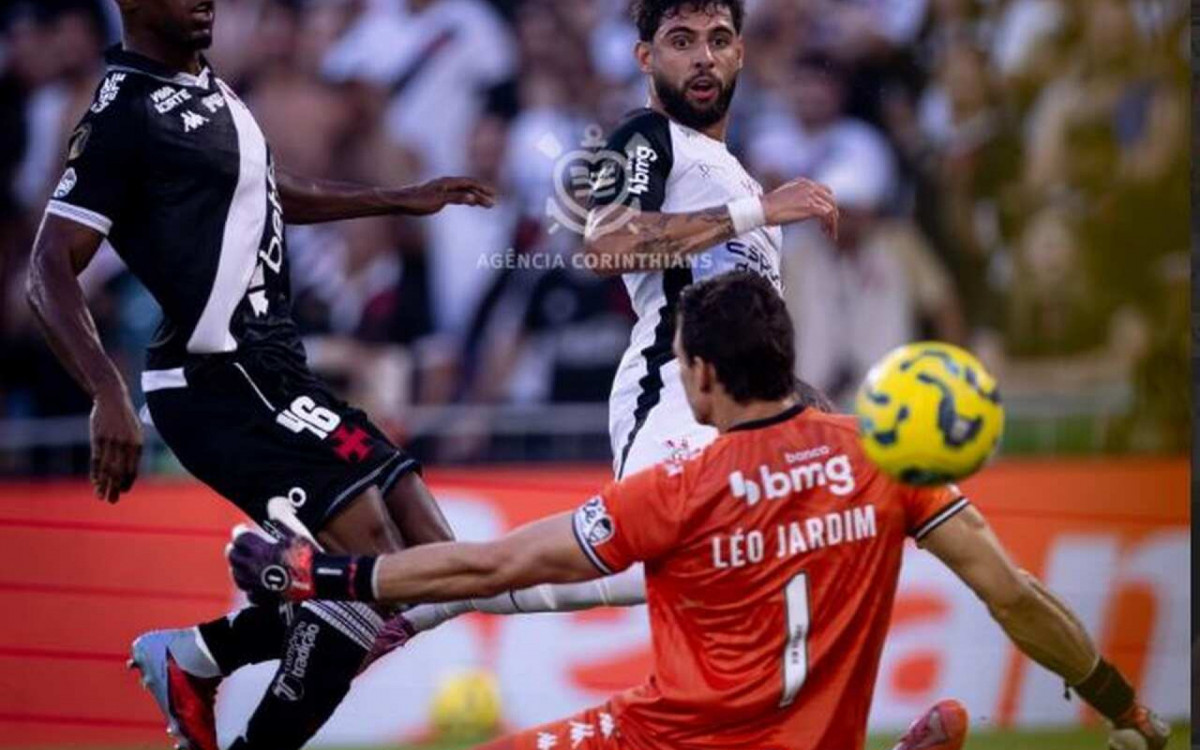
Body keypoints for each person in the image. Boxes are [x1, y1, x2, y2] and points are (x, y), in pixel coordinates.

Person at [229, 272, 1169, 750]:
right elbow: (1011, 594)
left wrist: (322, 574)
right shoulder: (887, 459)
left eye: (680, 363)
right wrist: (1119, 703)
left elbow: (492, 566)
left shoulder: (679, 493)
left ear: (705, 375)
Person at [22, 0, 496, 748]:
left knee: (436, 563)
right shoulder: (123, 113)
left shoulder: (209, 83)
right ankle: (213, 683)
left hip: (277, 372)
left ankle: (201, 655)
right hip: (216, 381)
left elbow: (267, 194)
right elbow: (48, 263)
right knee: (372, 565)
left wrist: (395, 198)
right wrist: (105, 392)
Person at [365, 0, 841, 655]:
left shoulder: (735, 175)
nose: (702, 56)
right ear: (646, 58)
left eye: (718, 39)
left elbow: (748, 327)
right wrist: (757, 211)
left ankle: (432, 593)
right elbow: (608, 245)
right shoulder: (646, 137)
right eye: (680, 40)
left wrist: (815, 413)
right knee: (673, 566)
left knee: (768, 572)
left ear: (740, 54)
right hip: (676, 391)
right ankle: (429, 588)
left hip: (748, 408)